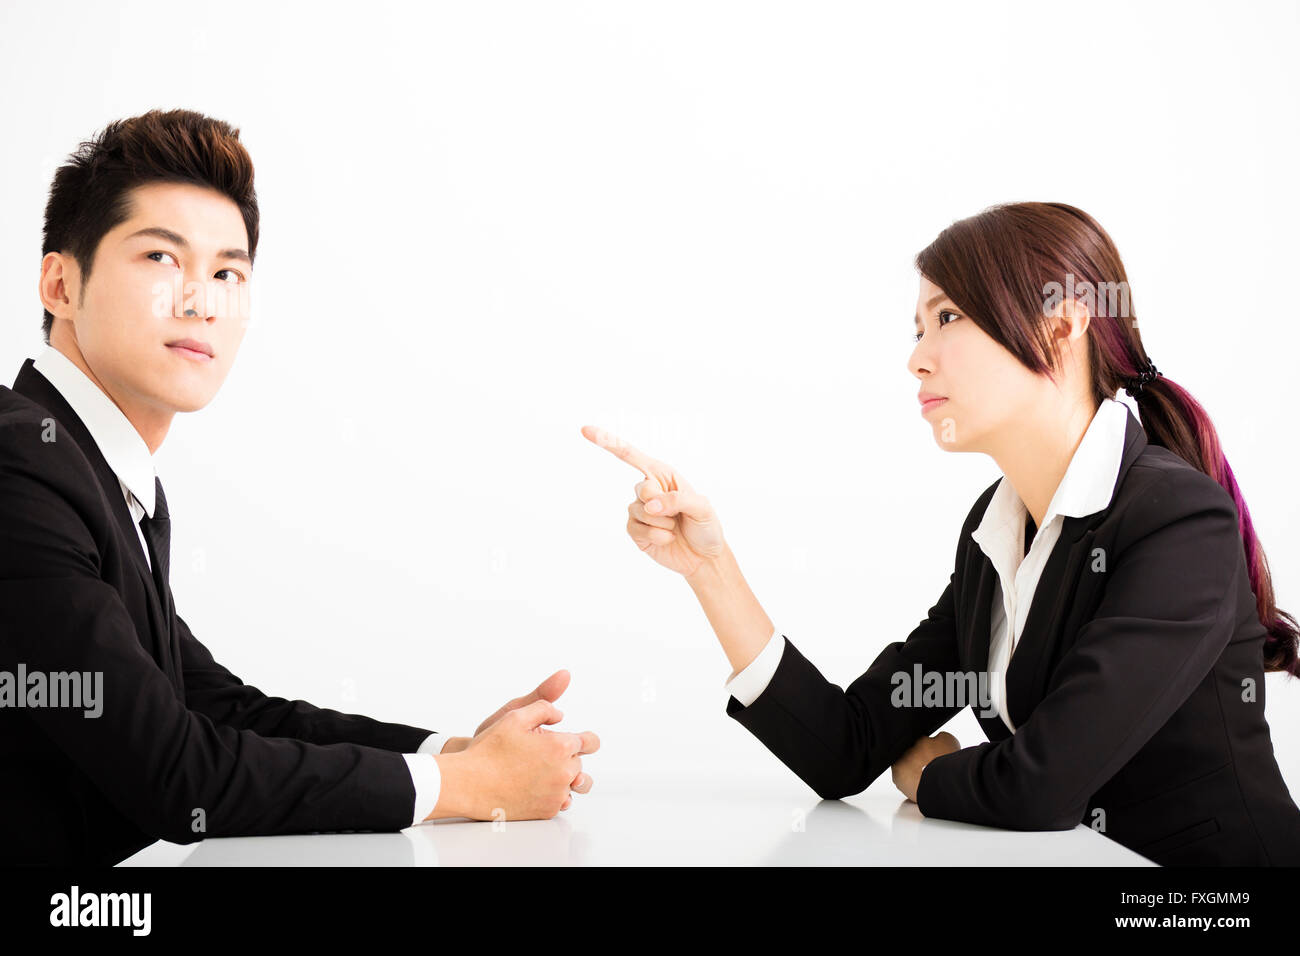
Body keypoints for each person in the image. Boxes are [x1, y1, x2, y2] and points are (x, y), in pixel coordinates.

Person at [584, 201, 1300, 866]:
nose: (917, 357)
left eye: (949, 317)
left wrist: (930, 774)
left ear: (1063, 324)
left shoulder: (1178, 521)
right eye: (918, 328)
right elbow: (847, 747)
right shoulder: (997, 531)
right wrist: (711, 570)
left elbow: (1041, 786)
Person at [0, 108, 597, 866]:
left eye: (227, 272)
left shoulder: (95, 471)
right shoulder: (22, 460)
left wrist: (456, 754)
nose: (201, 300)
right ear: (60, 283)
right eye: (159, 258)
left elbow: (212, 707)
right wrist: (462, 786)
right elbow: (175, 775)